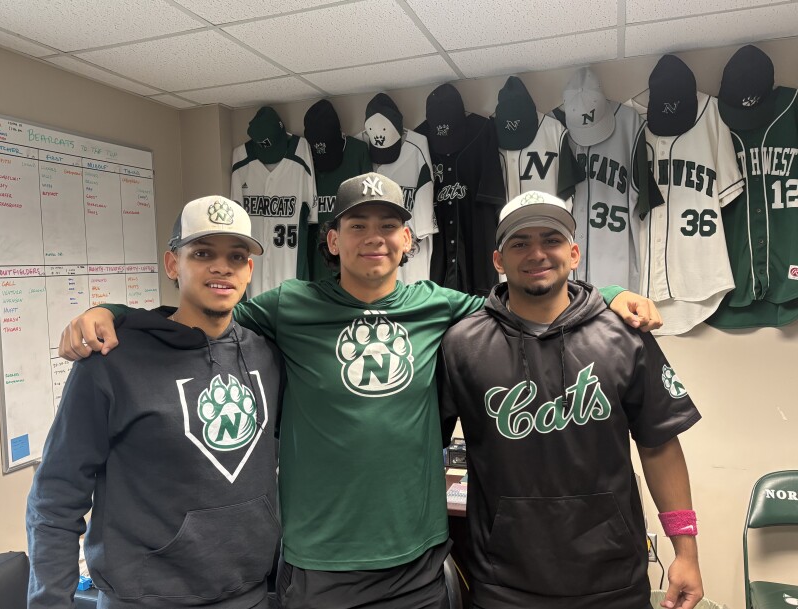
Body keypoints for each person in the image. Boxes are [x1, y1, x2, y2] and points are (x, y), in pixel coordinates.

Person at [58, 173, 662, 609]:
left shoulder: (444, 308)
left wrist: (608, 295)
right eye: (357, 225)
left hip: (418, 559)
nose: (374, 237)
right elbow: (204, 315)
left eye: (389, 226)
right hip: (319, 563)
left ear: (408, 241)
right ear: (332, 240)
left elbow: (533, 301)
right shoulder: (287, 308)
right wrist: (111, 310)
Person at [438, 190, 703, 609]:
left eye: (551, 239)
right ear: (498, 260)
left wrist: (686, 552)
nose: (537, 253)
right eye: (520, 243)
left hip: (614, 577)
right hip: (504, 583)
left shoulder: (624, 335)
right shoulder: (462, 344)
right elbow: (423, 447)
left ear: (574, 253)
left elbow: (660, 445)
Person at [27, 196, 283, 609]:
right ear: (172, 265)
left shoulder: (268, 355)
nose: (221, 267)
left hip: (249, 594)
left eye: (236, 256)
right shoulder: (113, 360)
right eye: (202, 253)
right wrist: (50, 602)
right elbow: (55, 496)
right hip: (144, 599)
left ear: (248, 270)